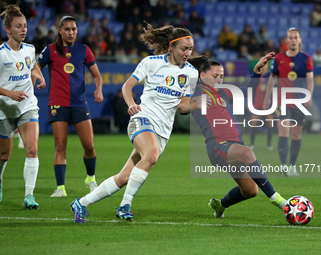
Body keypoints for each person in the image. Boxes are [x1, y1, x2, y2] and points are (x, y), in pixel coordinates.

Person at [70, 23, 198, 223]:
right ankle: (125, 205)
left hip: (163, 131)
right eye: (184, 48)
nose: (187, 53)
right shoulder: (151, 63)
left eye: (190, 49)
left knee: (124, 177)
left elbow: (182, 107)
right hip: (142, 118)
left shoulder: (191, 73)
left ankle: (82, 203)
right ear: (171, 46)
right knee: (152, 155)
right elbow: (127, 86)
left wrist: (196, 103)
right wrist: (131, 104)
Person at [189, 52, 287, 218]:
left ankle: (220, 206)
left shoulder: (223, 92)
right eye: (215, 76)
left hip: (234, 145)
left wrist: (256, 72)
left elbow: (247, 91)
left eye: (221, 76)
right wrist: (193, 103)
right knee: (248, 153)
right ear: (202, 75)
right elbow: (182, 106)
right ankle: (280, 202)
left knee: (250, 190)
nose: (219, 79)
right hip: (218, 146)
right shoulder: (194, 92)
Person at [37, 16, 103, 197]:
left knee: (89, 145)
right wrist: (40, 78)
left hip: (79, 103)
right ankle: (60, 188)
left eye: (74, 29)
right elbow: (36, 66)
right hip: (57, 103)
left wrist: (98, 90)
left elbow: (97, 75)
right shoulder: (50, 50)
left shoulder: (84, 50)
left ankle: (90, 178)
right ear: (60, 31)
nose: (71, 32)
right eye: (67, 29)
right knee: (60, 146)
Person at [0, 4, 46, 207]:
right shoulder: (1, 53)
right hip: (4, 109)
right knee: (4, 155)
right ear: (8, 30)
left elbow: (32, 66)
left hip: (27, 106)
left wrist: (40, 76)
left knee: (33, 150)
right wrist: (10, 93)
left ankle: (29, 196)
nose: (24, 29)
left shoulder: (30, 49)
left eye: (25, 25)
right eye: (19, 26)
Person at [263, 28, 314, 177]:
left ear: (300, 40)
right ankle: (284, 165)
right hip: (282, 100)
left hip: (299, 101)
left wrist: (309, 95)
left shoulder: (306, 58)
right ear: (286, 41)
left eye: (295, 38)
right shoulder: (279, 58)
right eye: (290, 38)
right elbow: (272, 78)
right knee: (283, 131)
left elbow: (310, 79)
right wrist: (267, 97)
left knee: (297, 134)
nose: (293, 40)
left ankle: (292, 166)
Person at [249, 61, 274, 151]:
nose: (264, 67)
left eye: (265, 65)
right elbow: (251, 91)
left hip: (268, 105)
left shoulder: (271, 77)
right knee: (253, 123)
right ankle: (251, 144)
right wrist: (249, 103)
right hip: (257, 104)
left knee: (270, 123)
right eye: (263, 65)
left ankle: (269, 144)